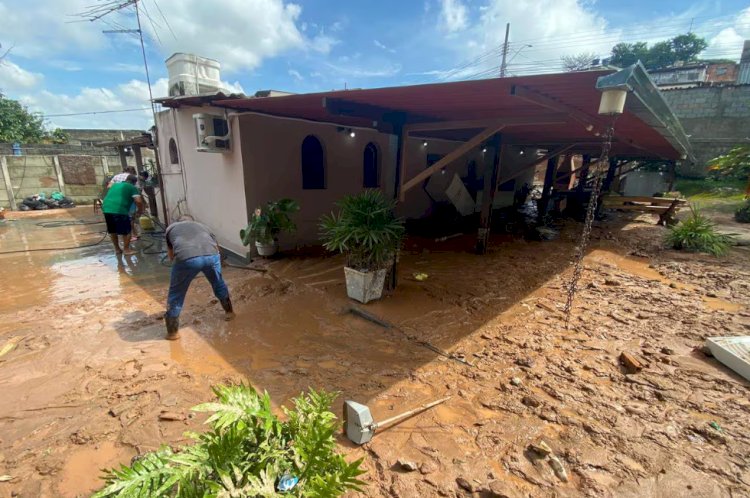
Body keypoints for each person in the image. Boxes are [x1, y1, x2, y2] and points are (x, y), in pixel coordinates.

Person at [164, 215, 234, 340]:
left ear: (179, 221)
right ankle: (229, 312)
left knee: (176, 293)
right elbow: (217, 247)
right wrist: (219, 261)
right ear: (192, 221)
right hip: (212, 256)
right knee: (218, 283)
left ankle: (172, 333)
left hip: (186, 259)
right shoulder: (203, 226)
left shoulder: (171, 228)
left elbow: (171, 256)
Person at [102, 174, 144, 255]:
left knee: (112, 230)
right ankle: (126, 250)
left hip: (106, 208)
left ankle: (117, 249)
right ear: (134, 183)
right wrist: (140, 211)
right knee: (126, 231)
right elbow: (138, 201)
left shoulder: (114, 185)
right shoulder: (132, 187)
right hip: (119, 210)